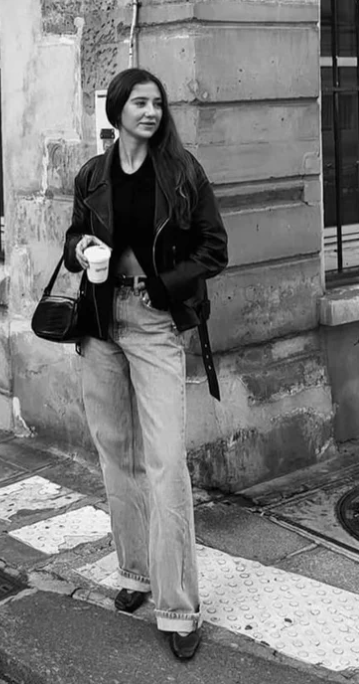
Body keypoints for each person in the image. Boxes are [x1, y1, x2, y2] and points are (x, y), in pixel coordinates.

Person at [63, 67, 228, 661]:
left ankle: (179, 606)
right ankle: (134, 573)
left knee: (165, 464)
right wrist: (81, 248)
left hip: (155, 324)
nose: (152, 112)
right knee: (117, 455)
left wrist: (163, 285)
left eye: (158, 103)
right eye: (140, 103)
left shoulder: (183, 173)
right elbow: (74, 238)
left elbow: (215, 247)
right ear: (117, 110)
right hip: (103, 323)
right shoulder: (93, 174)